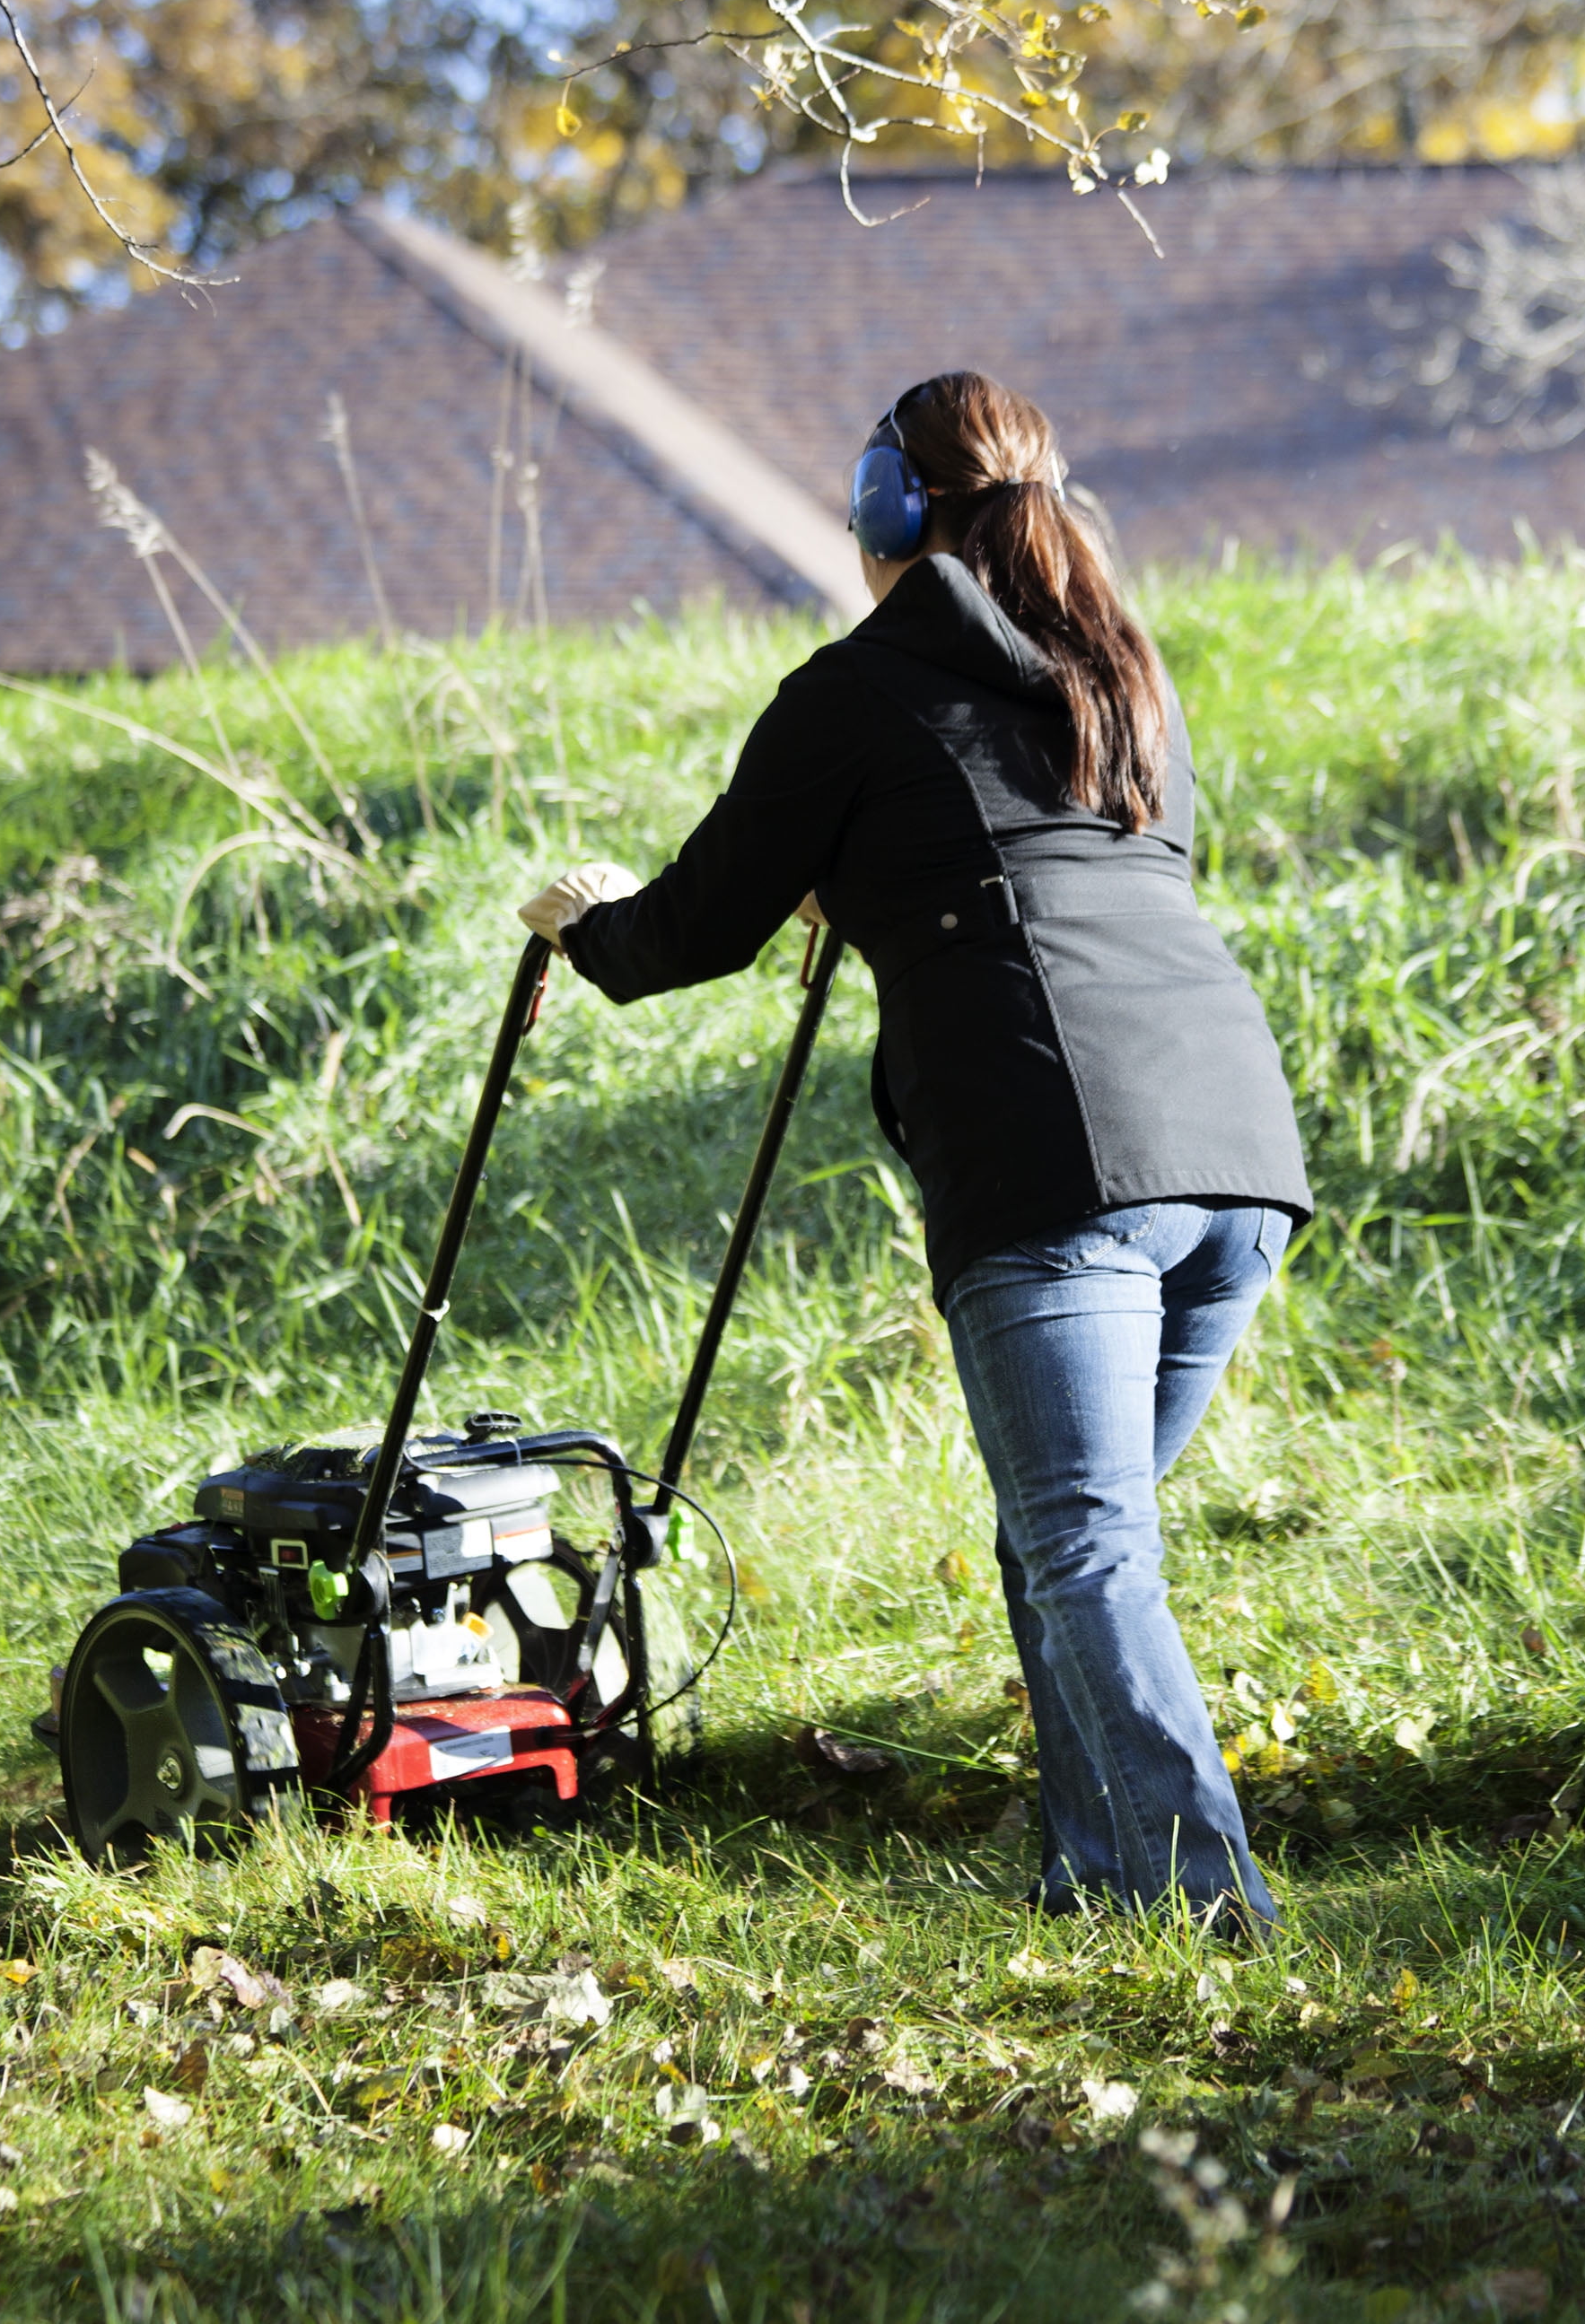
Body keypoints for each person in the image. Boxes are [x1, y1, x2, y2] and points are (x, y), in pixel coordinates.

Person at [518, 371, 1313, 1933]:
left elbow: (684, 933)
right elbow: (1050, 869)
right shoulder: (1119, 681)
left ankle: (1202, 1903)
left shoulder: (852, 691)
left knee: (1083, 1547)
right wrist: (868, 887)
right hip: (1236, 1161)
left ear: (886, 506)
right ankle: (1099, 1879)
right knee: (1063, 1537)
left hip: (1058, 1162)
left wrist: (574, 923)